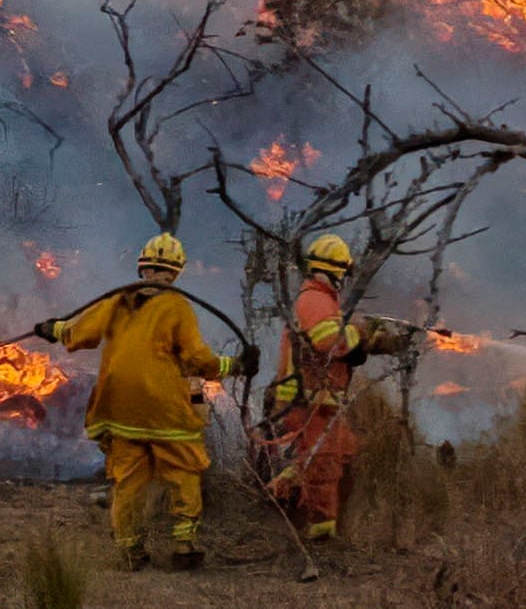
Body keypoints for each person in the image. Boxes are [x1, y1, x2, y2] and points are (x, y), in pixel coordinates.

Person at [35, 233, 259, 571]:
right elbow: (198, 361)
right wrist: (235, 365)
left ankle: (130, 552)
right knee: (183, 469)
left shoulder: (117, 300)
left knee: (128, 480)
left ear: (142, 267)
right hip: (164, 411)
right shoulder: (177, 307)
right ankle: (184, 545)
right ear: (176, 272)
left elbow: (80, 331)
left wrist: (53, 328)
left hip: (118, 408)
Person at [268, 232, 371, 542]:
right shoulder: (315, 299)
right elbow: (328, 341)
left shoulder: (319, 298)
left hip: (319, 401)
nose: (343, 278)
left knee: (340, 451)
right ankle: (319, 535)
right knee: (323, 466)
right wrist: (359, 335)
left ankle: (282, 490)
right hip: (310, 401)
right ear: (332, 269)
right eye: (342, 271)